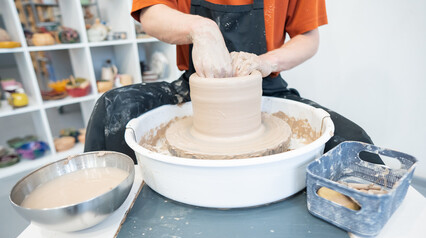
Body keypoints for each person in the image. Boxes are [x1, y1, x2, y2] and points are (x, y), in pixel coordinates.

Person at [85, 0, 381, 164]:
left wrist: (267, 62)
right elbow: (150, 12)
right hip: (194, 90)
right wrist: (200, 29)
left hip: (265, 87)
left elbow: (309, 37)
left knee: (357, 147)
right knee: (111, 110)